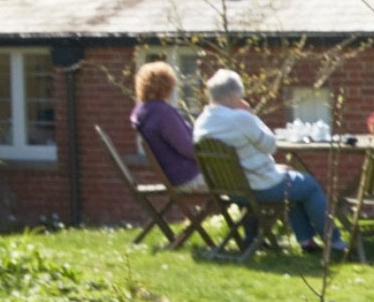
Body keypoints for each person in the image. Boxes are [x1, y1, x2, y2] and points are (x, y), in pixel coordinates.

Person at [193, 69, 339, 254]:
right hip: (259, 186)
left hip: (230, 189)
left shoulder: (202, 122)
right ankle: (333, 242)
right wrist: (251, 115)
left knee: (293, 182)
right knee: (309, 185)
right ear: (231, 96)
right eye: (239, 96)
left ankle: (307, 241)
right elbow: (270, 145)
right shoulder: (240, 118)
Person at [127, 62, 211, 196]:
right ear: (168, 85)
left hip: (173, 176)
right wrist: (211, 158)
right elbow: (187, 148)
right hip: (187, 176)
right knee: (241, 180)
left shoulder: (144, 112)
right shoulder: (162, 113)